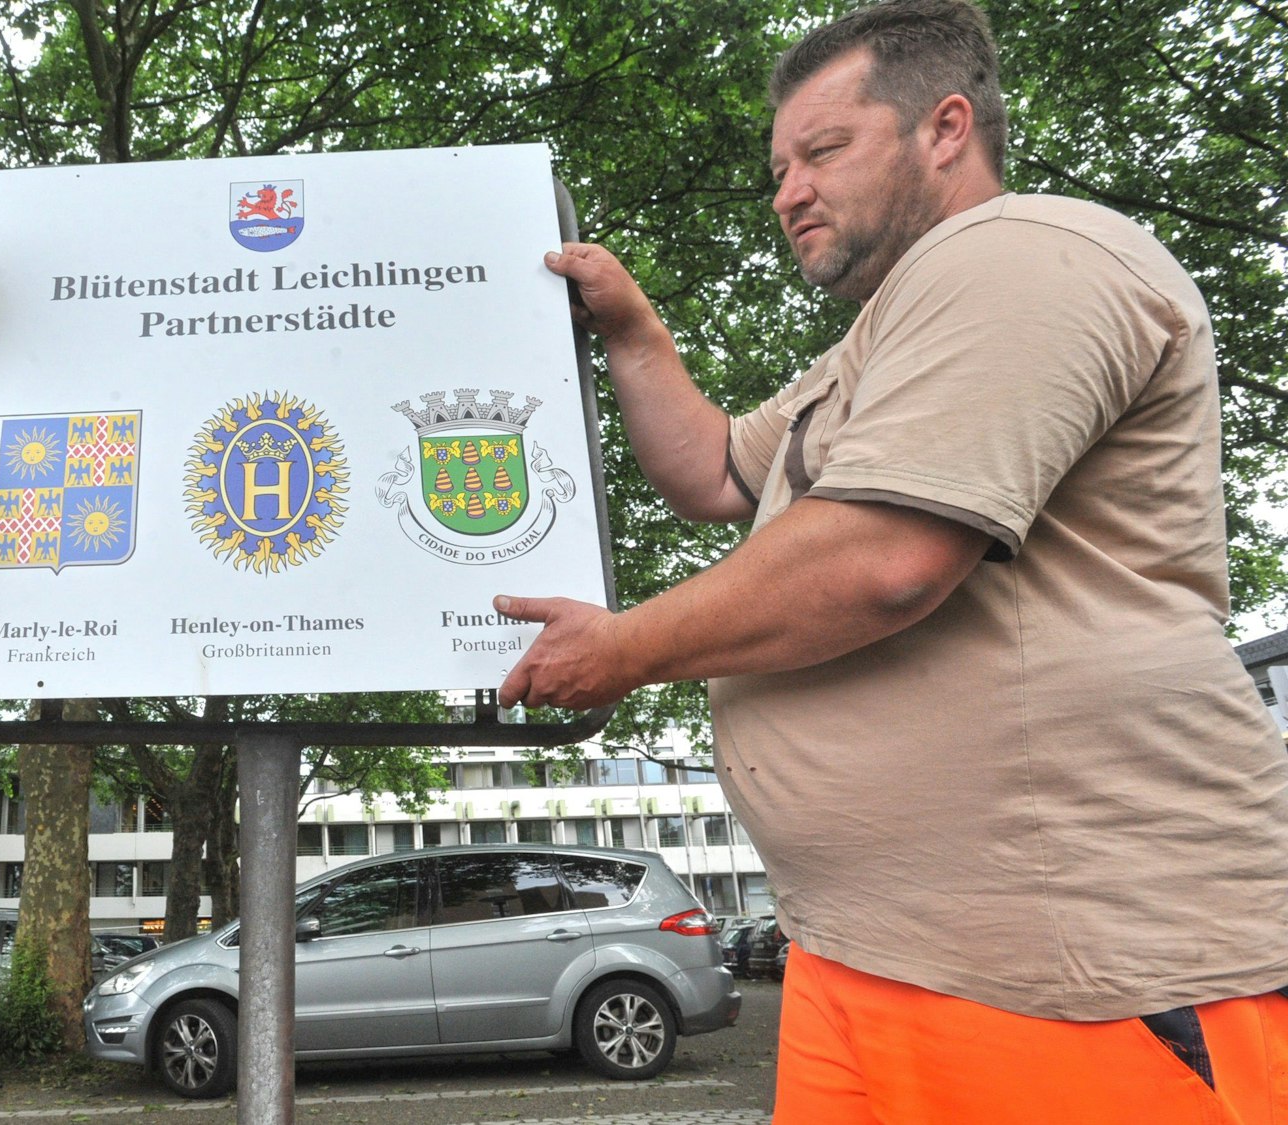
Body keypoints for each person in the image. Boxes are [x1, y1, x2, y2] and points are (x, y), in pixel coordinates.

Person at [494, 2, 1288, 1121]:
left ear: (944, 128)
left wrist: (621, 649)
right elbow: (717, 470)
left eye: (822, 151)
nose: (786, 192)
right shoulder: (884, 336)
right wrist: (631, 331)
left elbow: (885, 556)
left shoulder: (1024, 256)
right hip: (859, 951)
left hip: (1066, 968)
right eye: (777, 168)